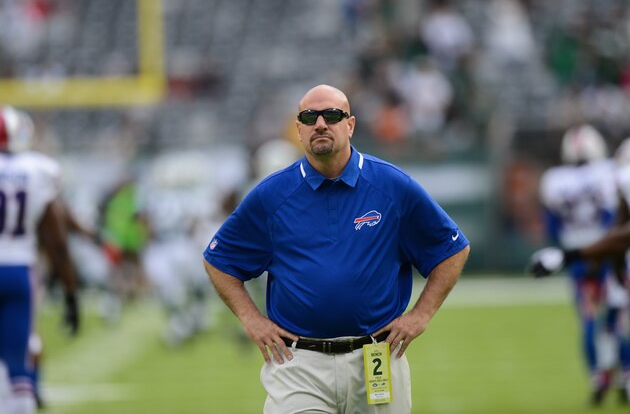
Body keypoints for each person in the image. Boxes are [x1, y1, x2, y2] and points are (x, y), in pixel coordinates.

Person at [203, 84, 470, 413]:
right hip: (298, 363)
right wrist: (251, 320)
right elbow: (219, 260)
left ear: (350, 125)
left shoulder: (391, 186)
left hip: (377, 357)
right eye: (309, 117)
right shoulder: (271, 195)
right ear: (298, 129)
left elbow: (452, 248)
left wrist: (420, 316)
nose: (320, 124)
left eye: (331, 115)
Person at [532, 124, 620, 405]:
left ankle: (598, 375)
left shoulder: (554, 179)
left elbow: (552, 226)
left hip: (576, 257)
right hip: (609, 253)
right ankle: (624, 375)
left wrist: (565, 253)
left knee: (590, 318)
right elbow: (614, 218)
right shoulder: (608, 172)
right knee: (618, 317)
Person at [0, 106, 79, 414]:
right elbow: (57, 242)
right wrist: (71, 291)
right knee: (19, 365)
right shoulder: (38, 170)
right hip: (20, 271)